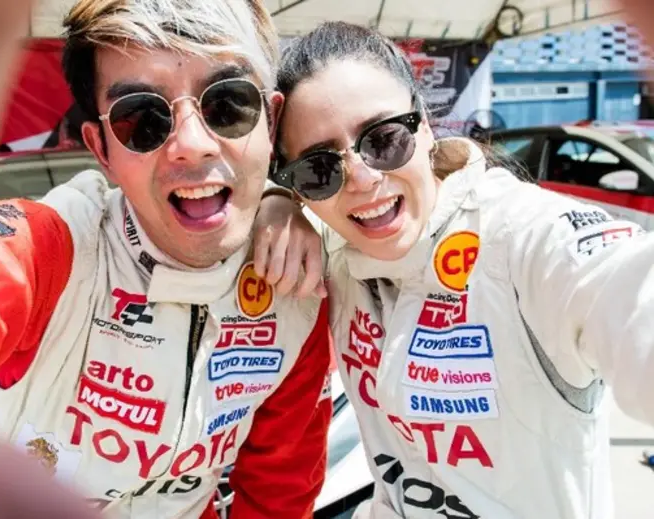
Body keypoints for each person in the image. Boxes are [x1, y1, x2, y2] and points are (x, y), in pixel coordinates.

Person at [0, 0, 332, 518]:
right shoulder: (53, 248)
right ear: (101, 150)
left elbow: (278, 498)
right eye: (142, 119)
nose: (191, 144)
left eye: (227, 105)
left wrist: (282, 200)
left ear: (270, 121)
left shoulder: (297, 284)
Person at [254, 21, 654, 519]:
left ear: (424, 125)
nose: (362, 178)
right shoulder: (330, 244)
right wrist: (274, 203)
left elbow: (626, 289)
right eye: (319, 168)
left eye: (384, 139)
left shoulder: (526, 239)